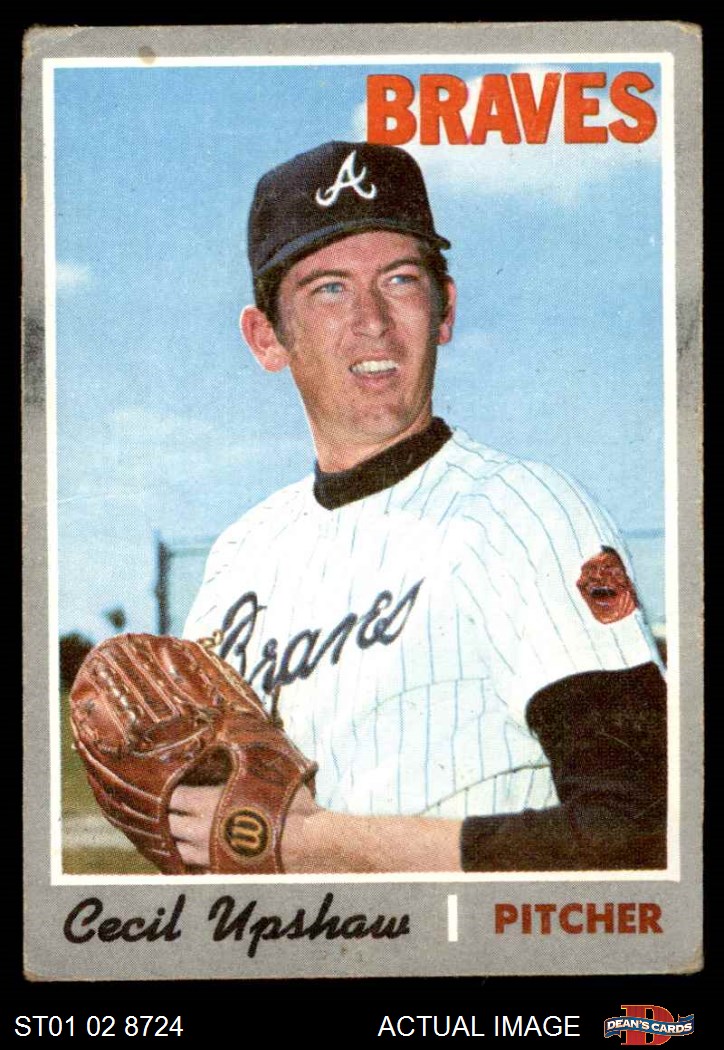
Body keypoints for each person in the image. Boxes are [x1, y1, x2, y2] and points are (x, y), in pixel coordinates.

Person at [170, 141, 666, 874]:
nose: (371, 320)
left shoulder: (530, 514)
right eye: (328, 289)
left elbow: (641, 824)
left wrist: (310, 842)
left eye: (400, 279)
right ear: (266, 338)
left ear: (445, 309)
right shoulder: (240, 556)